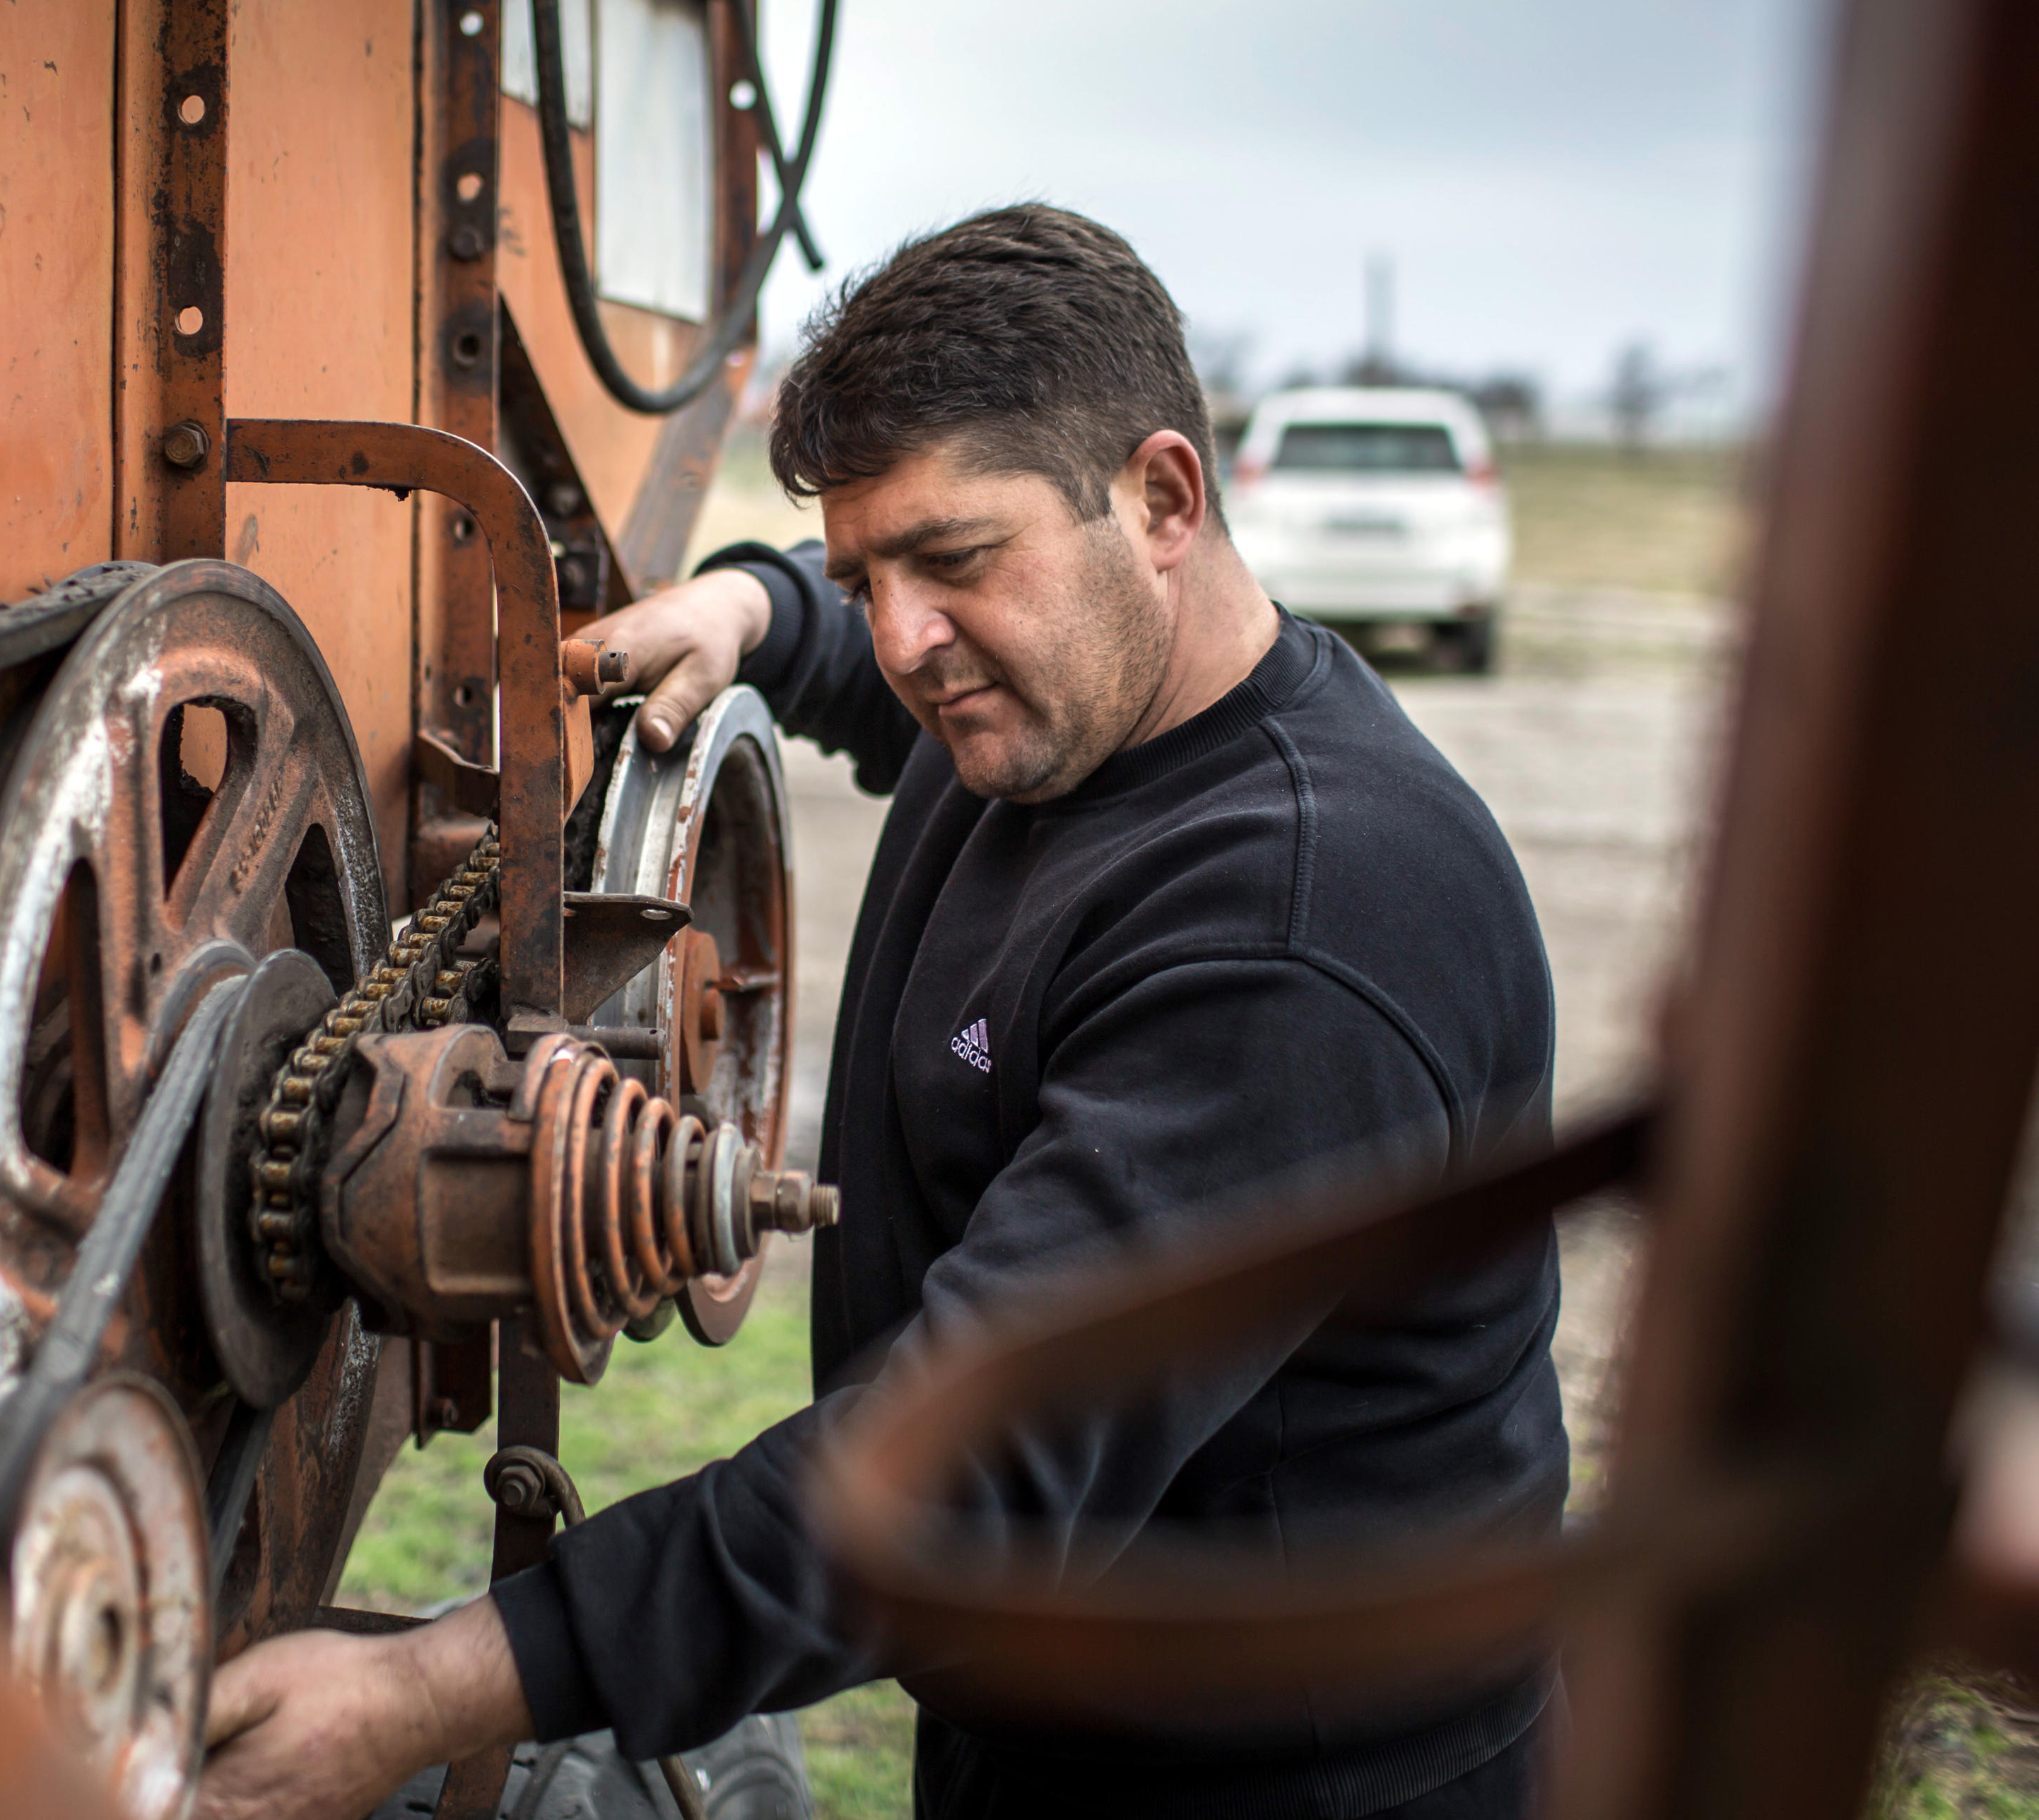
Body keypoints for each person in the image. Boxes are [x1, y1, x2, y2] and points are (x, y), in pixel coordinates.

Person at [192, 205, 1563, 1820]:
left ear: (1163, 496)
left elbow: (968, 1476)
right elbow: (869, 653)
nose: (908, 639)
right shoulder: (1064, 707)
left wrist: (424, 1684)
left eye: (958, 559)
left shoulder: (1300, 921)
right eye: (867, 569)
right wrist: (759, 610)